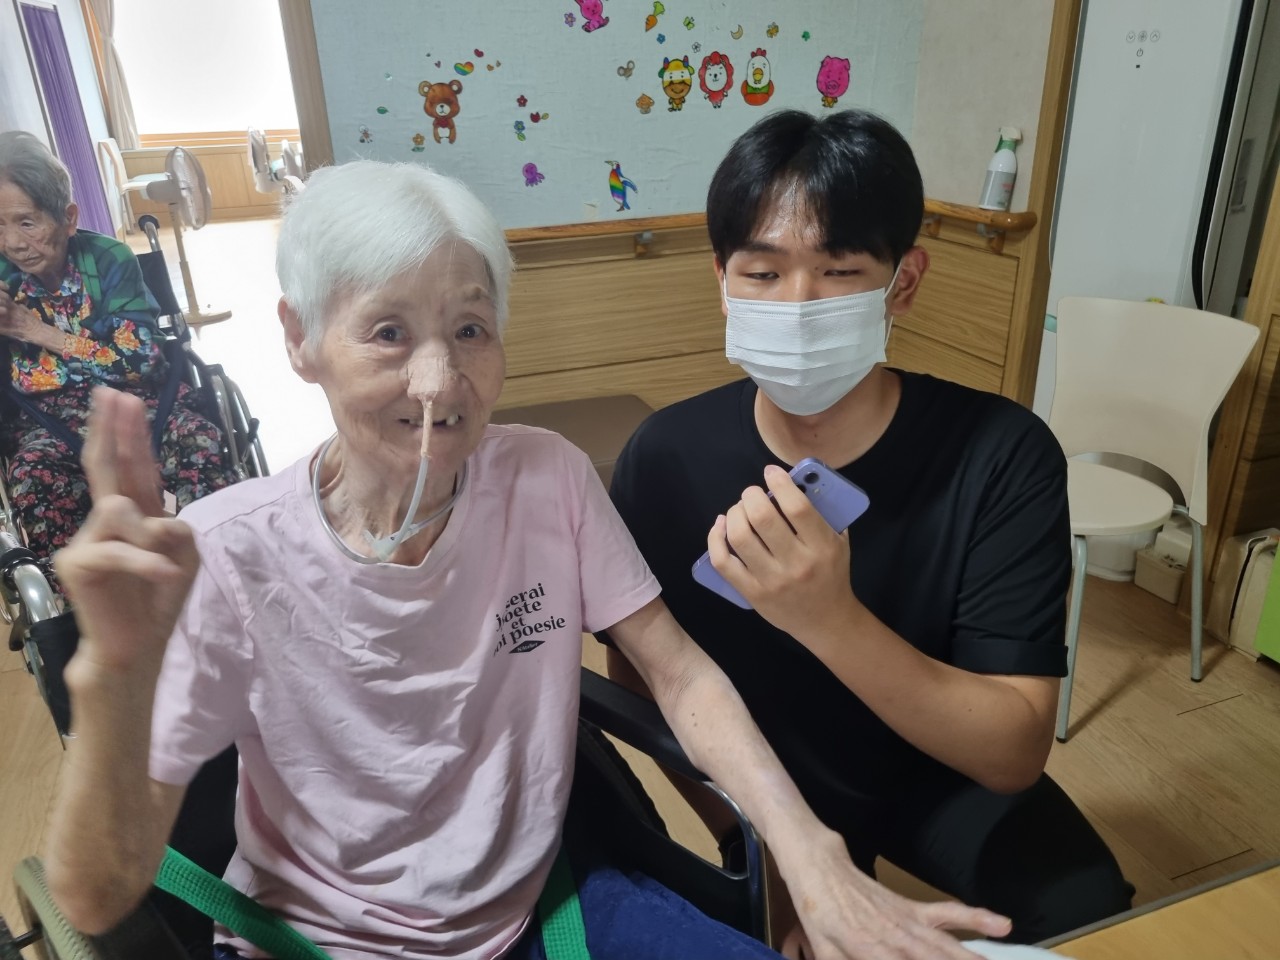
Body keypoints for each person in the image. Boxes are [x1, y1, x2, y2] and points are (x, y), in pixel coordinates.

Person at [46, 160, 1013, 960]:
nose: (439, 382)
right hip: (317, 942)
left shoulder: (548, 478)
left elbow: (679, 673)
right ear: (301, 340)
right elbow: (93, 900)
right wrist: (114, 675)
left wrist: (814, 860)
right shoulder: (226, 553)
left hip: (536, 918)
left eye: (470, 330)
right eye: (388, 333)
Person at [604, 109, 1135, 952]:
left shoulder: (1001, 454)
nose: (798, 304)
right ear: (722, 281)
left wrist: (828, 617)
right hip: (764, 775)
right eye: (763, 272)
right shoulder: (665, 456)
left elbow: (1011, 753)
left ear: (904, 282)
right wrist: (759, 845)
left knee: (1088, 909)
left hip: (937, 765)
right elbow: (639, 676)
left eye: (840, 270)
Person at [0, 130, 235, 570]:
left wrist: (33, 330)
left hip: (141, 404)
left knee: (198, 439)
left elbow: (139, 361)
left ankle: (220, 573)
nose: (12, 242)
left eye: (27, 222)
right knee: (31, 474)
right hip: (46, 421)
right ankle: (81, 601)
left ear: (68, 218)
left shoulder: (109, 260)